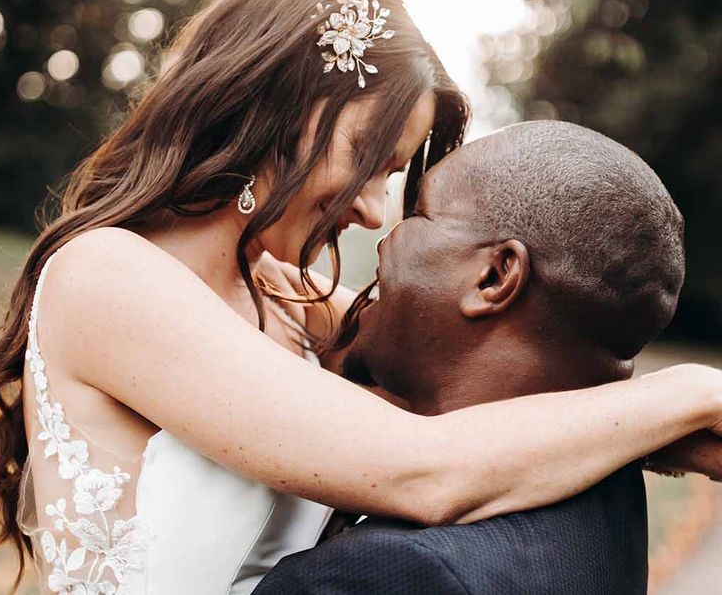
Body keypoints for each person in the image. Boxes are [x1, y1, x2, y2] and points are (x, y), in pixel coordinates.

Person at [0, 0, 722, 595]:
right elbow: (421, 471)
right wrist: (686, 394)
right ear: (276, 110)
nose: (371, 211)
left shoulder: (283, 293)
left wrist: (671, 438)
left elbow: (485, 378)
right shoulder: (110, 280)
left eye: (393, 176)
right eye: (371, 160)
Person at [252, 120, 697, 594]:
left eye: (419, 214)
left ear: (495, 277)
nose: (385, 237)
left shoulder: (393, 573)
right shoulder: (606, 480)